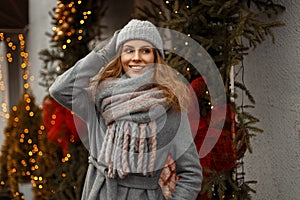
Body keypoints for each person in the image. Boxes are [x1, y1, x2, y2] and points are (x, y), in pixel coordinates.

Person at [49, 19, 202, 200]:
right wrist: (106, 51)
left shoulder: (170, 106)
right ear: (119, 55)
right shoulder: (98, 99)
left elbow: (191, 174)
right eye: (129, 50)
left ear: (156, 57)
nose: (136, 57)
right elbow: (60, 89)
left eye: (145, 50)